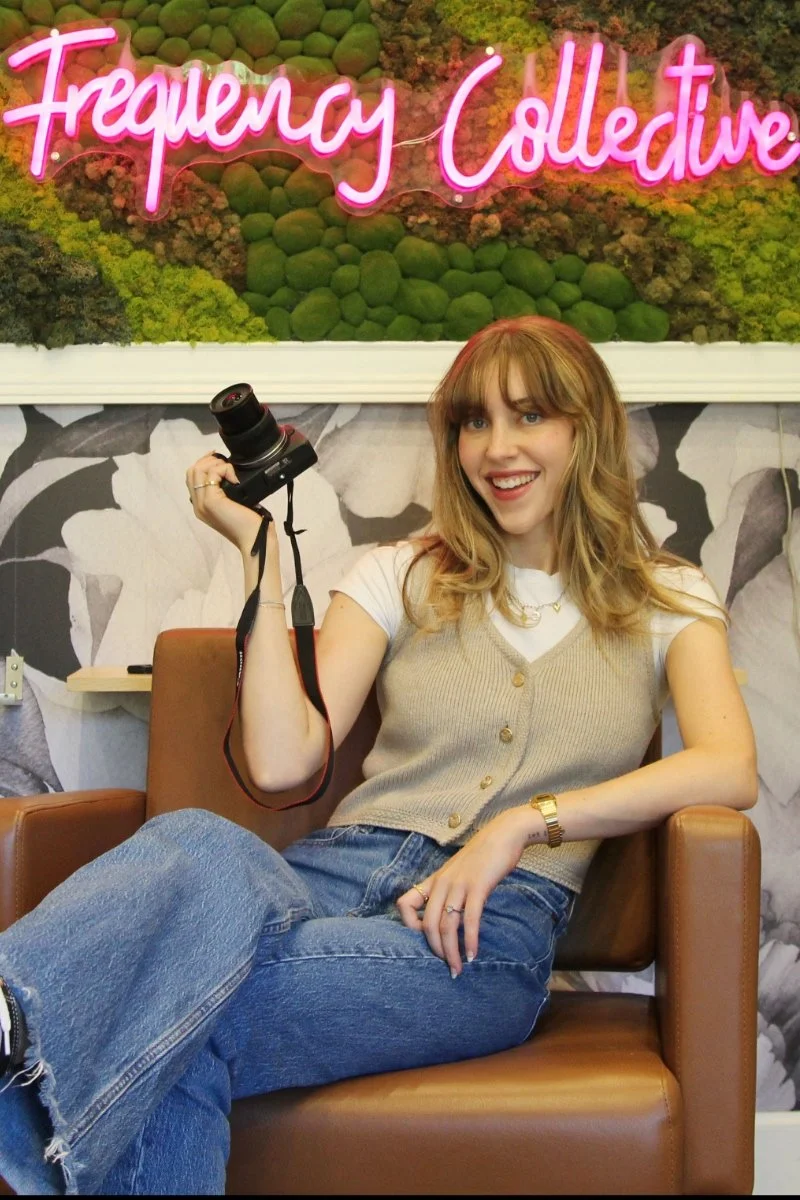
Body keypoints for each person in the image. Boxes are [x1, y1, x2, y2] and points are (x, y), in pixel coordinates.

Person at [0, 316, 757, 1196]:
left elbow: (727, 764)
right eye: (474, 422)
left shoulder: (667, 594)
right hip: (325, 878)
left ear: (584, 429)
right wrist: (259, 557)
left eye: (529, 416)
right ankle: (12, 1008)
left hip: (483, 935)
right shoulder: (398, 573)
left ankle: (27, 1036)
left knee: (177, 1004)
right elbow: (284, 763)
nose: (497, 448)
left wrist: (525, 823)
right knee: (201, 843)